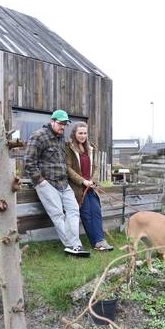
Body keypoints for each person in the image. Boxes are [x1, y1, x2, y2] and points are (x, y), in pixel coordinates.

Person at [24, 110, 90, 257]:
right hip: (47, 183)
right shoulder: (38, 136)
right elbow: (29, 162)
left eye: (65, 124)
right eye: (60, 123)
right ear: (52, 121)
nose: (63, 127)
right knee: (58, 215)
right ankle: (74, 245)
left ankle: (73, 245)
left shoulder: (61, 138)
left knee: (73, 211)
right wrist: (40, 182)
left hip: (63, 183)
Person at [65, 122, 115, 251]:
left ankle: (100, 240)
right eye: (80, 133)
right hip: (78, 187)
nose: (82, 136)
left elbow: (96, 167)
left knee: (96, 211)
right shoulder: (69, 147)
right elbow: (68, 168)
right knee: (86, 213)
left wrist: (93, 180)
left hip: (91, 187)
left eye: (85, 133)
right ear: (74, 134)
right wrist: (82, 181)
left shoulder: (92, 147)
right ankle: (96, 243)